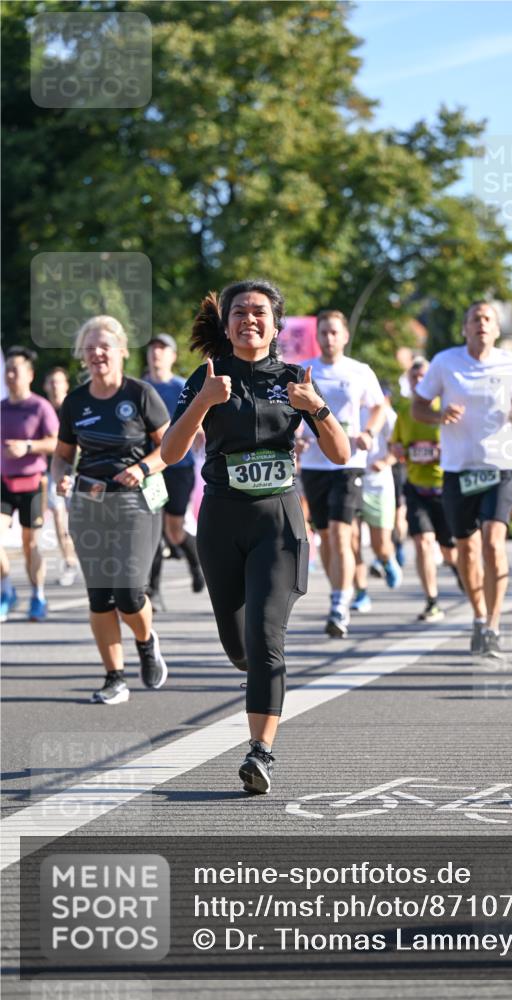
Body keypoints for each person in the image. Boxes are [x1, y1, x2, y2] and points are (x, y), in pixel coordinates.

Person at [160, 280, 349, 794]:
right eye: (239, 312)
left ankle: (260, 752)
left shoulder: (294, 378)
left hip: (278, 522)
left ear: (275, 322)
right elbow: (172, 452)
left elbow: (340, 451)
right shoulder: (207, 376)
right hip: (221, 520)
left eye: (259, 312)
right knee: (239, 644)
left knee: (267, 641)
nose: (249, 319)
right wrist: (202, 402)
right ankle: (258, 674)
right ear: (226, 325)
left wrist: (316, 407)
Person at [51, 316, 171, 703]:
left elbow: (169, 447)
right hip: (89, 504)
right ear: (83, 356)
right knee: (100, 596)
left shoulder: (139, 393)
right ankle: (114, 677)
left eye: (104, 346)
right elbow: (63, 455)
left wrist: (141, 468)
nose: (97, 353)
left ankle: (146, 639)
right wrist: (62, 477)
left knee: (130, 593)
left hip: (136, 502)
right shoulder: (76, 401)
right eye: (90, 347)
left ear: (121, 351)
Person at [412, 302, 512, 658]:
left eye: (488, 319)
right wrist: (438, 415)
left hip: (498, 465)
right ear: (464, 328)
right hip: (458, 468)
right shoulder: (445, 362)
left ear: (496, 329)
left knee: (494, 543)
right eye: (475, 319)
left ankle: (493, 624)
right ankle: (478, 616)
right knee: (466, 548)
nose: (481, 324)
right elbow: (418, 407)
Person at [299, 310, 385, 638]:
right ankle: (341, 592)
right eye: (324, 332)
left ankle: (338, 603)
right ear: (317, 336)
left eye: (335, 332)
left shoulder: (360, 371)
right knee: (325, 535)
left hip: (349, 462)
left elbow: (378, 406)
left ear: (345, 336)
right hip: (317, 464)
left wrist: (370, 432)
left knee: (339, 532)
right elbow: (296, 413)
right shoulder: (307, 371)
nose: (329, 338)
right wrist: (298, 439)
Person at [392, 357, 460, 622]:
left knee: (449, 551)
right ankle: (432, 601)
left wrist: (444, 451)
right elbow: (395, 447)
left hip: (445, 488)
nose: (419, 383)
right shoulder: (406, 414)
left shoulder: (447, 410)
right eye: (414, 379)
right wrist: (397, 450)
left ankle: (456, 568)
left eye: (423, 378)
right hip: (417, 488)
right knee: (422, 543)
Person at [144, 332, 205, 604]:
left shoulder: (184, 386)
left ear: (172, 356)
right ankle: (153, 591)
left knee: (174, 530)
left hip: (179, 467)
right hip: (150, 469)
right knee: (153, 530)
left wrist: (201, 432)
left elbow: (199, 419)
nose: (156, 353)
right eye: (152, 348)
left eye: (162, 349)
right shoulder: (139, 388)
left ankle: (196, 562)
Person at [1, 346, 59, 622]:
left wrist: (27, 446)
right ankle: (6, 589)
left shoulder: (39, 406)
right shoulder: (1, 407)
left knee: (30, 543)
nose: (10, 374)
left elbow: (56, 442)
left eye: (16, 369)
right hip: (3, 481)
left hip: (33, 481)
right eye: (7, 369)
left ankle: (38, 595)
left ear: (30, 374)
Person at [351, 384, 402, 613]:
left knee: (379, 543)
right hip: (351, 480)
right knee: (351, 542)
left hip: (378, 483)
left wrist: (386, 461)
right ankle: (361, 593)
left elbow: (398, 448)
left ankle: (386, 558)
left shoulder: (388, 415)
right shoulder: (350, 411)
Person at [43, 366, 78, 586]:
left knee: (77, 520)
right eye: (51, 382)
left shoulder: (74, 406)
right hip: (53, 471)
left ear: (66, 385)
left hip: (78, 471)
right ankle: (69, 561)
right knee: (58, 517)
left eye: (59, 382)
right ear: (46, 386)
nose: (55, 386)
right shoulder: (43, 409)